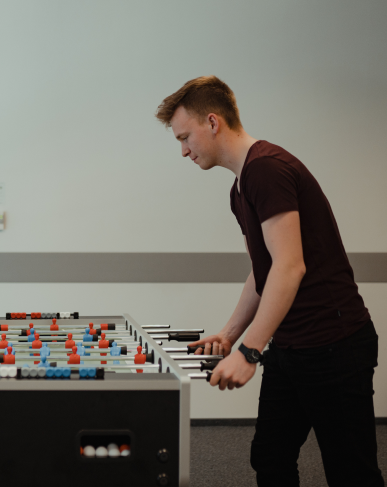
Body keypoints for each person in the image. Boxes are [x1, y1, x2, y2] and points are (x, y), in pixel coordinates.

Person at [155, 76, 383, 487]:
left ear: (212, 122)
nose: (184, 150)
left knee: (352, 473)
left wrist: (250, 351)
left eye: (185, 137)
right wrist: (228, 335)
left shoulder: (267, 170)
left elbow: (289, 267)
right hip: (293, 345)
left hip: (335, 345)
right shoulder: (240, 186)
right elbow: (264, 272)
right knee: (270, 457)